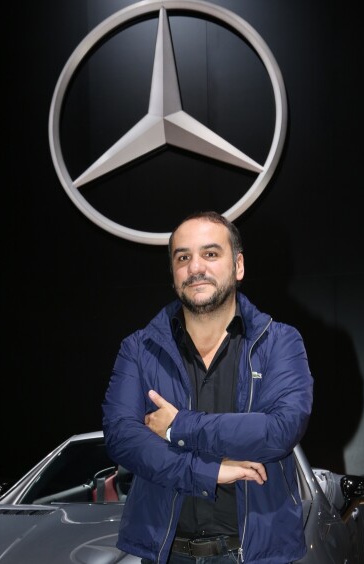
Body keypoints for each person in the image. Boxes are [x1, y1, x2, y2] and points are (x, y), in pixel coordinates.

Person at [102, 211, 313, 564]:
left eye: (210, 254)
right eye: (183, 257)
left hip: (255, 555)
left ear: (238, 266)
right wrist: (208, 472)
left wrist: (178, 426)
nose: (195, 267)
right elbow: (122, 436)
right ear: (173, 273)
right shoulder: (138, 349)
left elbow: (280, 429)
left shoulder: (280, 342)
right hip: (166, 554)